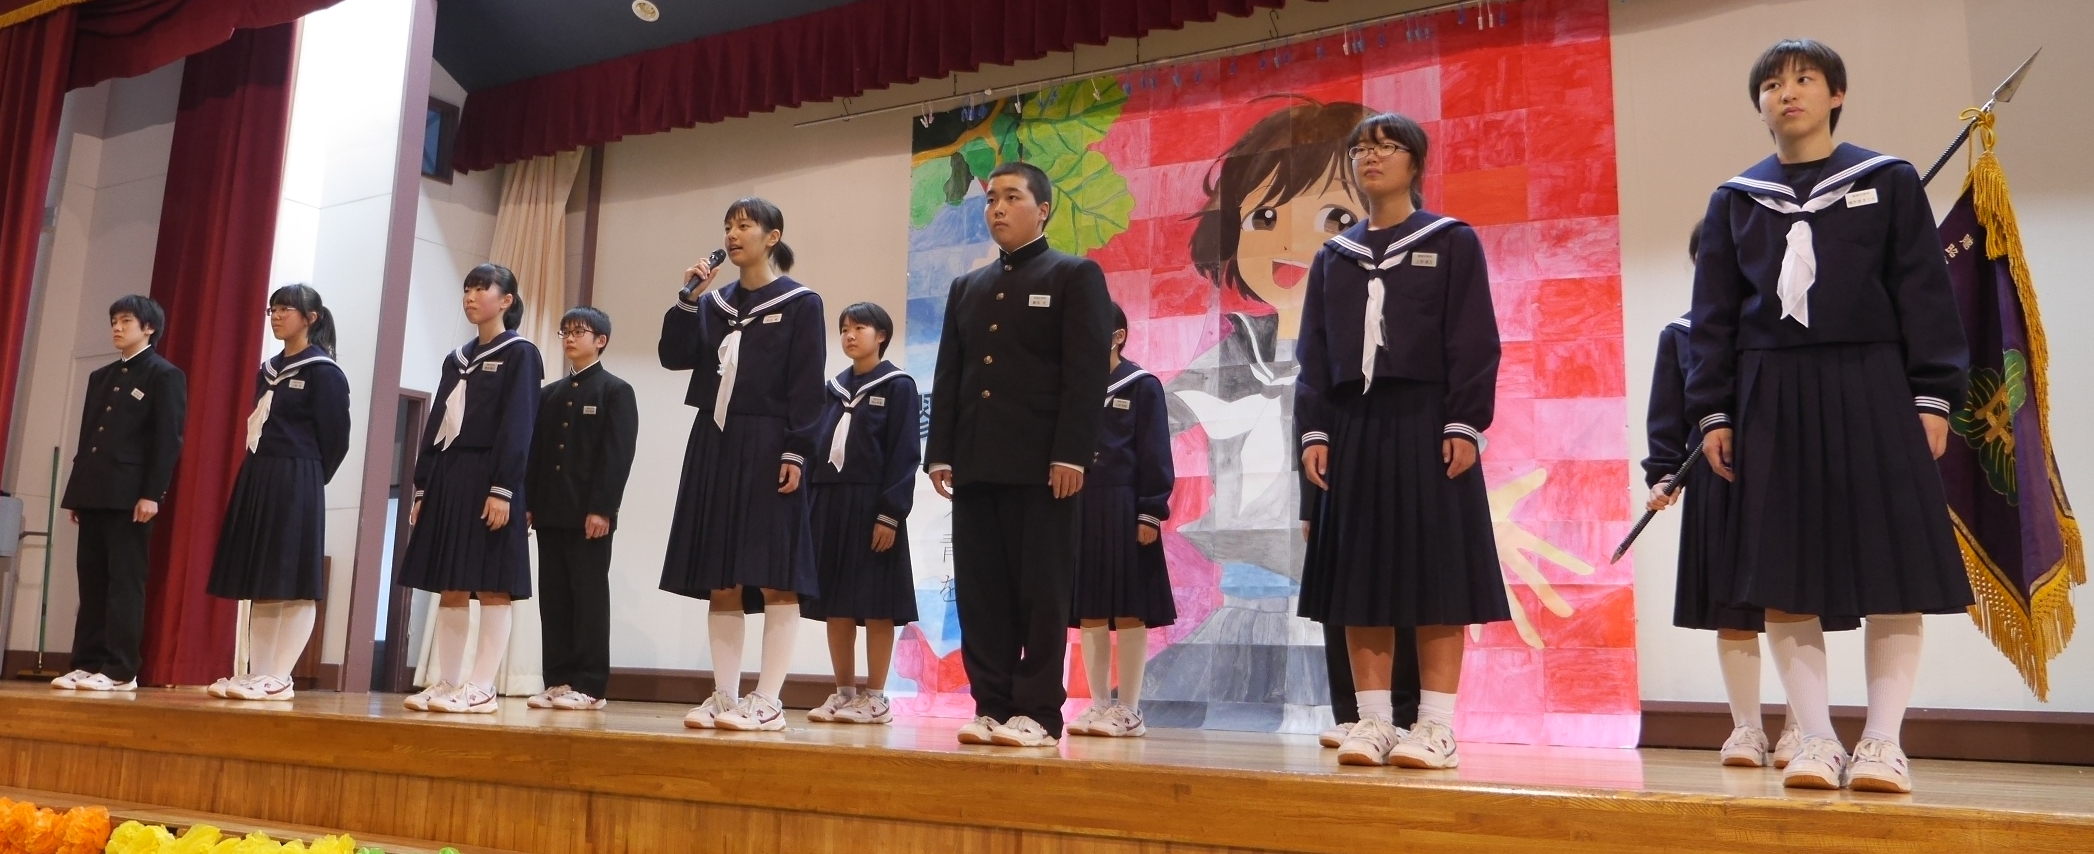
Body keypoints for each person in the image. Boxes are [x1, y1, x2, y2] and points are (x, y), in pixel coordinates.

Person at [1688, 39, 1970, 793]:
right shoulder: (1735, 200)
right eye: (1772, 84)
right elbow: (1712, 316)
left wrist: (1932, 394)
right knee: (1782, 570)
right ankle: (1815, 738)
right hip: (1770, 390)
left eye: (1805, 79)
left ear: (1835, 94)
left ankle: (1882, 743)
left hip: (1874, 383)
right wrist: (1713, 410)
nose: (1788, 93)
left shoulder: (1888, 180)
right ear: (1759, 104)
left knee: (1892, 566)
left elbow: (1925, 293)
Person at [1295, 113, 1508, 769]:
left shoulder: (1451, 241)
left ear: (1415, 162)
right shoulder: (1334, 257)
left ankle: (1436, 727)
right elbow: (1314, 355)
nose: (1372, 156)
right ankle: (1374, 721)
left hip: (1428, 421)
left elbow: (1474, 338)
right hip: (1353, 425)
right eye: (1362, 148)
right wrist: (1314, 430)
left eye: (1387, 146)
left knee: (1437, 573)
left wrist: (1464, 421)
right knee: (1359, 575)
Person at [1645, 226, 1862, 767]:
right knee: (1733, 611)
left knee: (1797, 600)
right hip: (1719, 483)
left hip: (1788, 481)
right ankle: (1745, 728)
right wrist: (1665, 473)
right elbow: (1669, 416)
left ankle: (1800, 728)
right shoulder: (1682, 334)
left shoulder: (1789, 328)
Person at [926, 160, 1113, 749]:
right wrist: (940, 452)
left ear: (1043, 209)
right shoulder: (968, 287)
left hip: (1044, 467)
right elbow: (950, 374)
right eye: (991, 199)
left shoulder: (1074, 275)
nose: (998, 208)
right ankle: (992, 704)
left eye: (1011, 197)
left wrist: (1072, 454)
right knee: (982, 592)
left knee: (1042, 592)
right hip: (977, 463)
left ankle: (1038, 712)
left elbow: (1085, 374)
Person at [660, 198, 825, 733]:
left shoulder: (801, 302)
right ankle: (725, 696)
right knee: (721, 574)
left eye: (744, 225)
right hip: (715, 438)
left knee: (776, 573)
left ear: (772, 236)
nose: (733, 235)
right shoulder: (714, 302)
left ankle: (769, 700)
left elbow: (807, 383)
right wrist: (688, 299)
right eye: (728, 226)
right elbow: (673, 355)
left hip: (772, 441)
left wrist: (796, 450)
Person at [399, 264, 543, 714]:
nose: (471, 296)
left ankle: (481, 687)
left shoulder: (521, 353)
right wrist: (423, 485)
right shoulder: (456, 359)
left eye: (482, 288)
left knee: (494, 584)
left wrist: (503, 488)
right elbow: (437, 421)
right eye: (467, 289)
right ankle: (447, 682)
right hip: (451, 473)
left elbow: (519, 424)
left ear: (506, 300)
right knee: (451, 583)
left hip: (492, 476)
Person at [203, 285, 351, 702]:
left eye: (286, 309)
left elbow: (336, 439)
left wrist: (309, 477)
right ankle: (258, 673)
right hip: (259, 472)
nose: (277, 316)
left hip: (298, 475)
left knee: (295, 578)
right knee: (263, 577)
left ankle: (281, 676)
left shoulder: (324, 371)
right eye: (273, 309)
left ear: (311, 318)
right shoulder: (267, 369)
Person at [51, 295, 187, 693]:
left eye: (126, 320)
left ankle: (120, 669)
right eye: (114, 320)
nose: (117, 327)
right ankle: (86, 662)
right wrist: (79, 493)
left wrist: (152, 493)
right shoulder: (101, 376)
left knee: (125, 583)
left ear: (149, 328)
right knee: (91, 583)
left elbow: (168, 440)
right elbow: (89, 436)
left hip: (131, 497)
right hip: (95, 491)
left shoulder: (164, 375)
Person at [802, 302, 920, 726]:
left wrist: (891, 514)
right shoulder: (832, 388)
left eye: (860, 327)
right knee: (836, 603)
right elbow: (816, 447)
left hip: (874, 505)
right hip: (831, 503)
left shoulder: (899, 386)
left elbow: (905, 455)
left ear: (881, 335)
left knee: (876, 604)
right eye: (844, 329)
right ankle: (844, 692)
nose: (850, 335)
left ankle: (876, 697)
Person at [1066, 305, 1175, 739]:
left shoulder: (1142, 385)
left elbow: (1155, 452)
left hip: (1128, 507)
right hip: (1082, 507)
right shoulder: (1075, 388)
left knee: (1130, 610)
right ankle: (1098, 706)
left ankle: (1129, 710)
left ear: (1118, 336)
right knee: (1090, 612)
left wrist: (1151, 510)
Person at [524, 306, 638, 712]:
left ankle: (590, 686)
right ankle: (557, 680)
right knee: (553, 599)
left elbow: (617, 456)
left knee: (588, 599)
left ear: (600, 340)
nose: (570, 338)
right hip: (550, 512)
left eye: (579, 331)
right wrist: (530, 504)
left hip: (590, 516)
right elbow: (536, 454)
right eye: (565, 332)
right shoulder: (549, 394)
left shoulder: (615, 391)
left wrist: (602, 509)